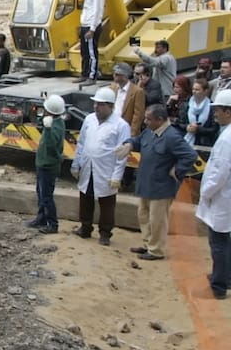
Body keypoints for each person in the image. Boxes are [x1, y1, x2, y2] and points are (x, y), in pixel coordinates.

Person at [116, 104, 197, 260]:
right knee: (144, 215)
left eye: (149, 119)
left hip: (162, 186)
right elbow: (139, 139)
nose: (146, 121)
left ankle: (156, 250)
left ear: (160, 120)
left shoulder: (172, 136)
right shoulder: (150, 132)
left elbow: (190, 155)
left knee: (157, 220)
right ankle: (148, 244)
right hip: (146, 183)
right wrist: (129, 144)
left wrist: (178, 169)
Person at [71, 87, 131, 246]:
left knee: (107, 203)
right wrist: (76, 164)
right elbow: (82, 143)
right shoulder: (89, 119)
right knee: (85, 198)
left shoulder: (121, 125)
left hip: (106, 171)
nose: (96, 107)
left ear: (110, 106)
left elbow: (122, 154)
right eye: (95, 104)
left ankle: (105, 233)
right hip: (88, 167)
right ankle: (85, 227)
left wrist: (117, 176)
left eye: (100, 104)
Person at [196, 89, 231, 299]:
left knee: (218, 242)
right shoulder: (226, 134)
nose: (215, 114)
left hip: (221, 196)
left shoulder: (227, 139)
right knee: (225, 240)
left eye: (218, 110)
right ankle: (226, 277)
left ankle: (219, 286)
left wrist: (206, 192)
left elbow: (220, 172)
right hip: (224, 196)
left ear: (228, 111)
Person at [25, 95, 66, 235]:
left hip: (48, 166)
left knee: (47, 196)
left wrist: (47, 129)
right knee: (41, 193)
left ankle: (53, 224)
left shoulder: (55, 127)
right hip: (43, 164)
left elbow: (51, 146)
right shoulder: (54, 122)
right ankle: (41, 218)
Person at [74, 0, 105, 85]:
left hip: (91, 26)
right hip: (85, 25)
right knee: (84, 51)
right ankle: (84, 73)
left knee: (92, 52)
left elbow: (97, 11)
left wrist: (92, 29)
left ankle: (92, 76)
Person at [110, 62, 146, 136]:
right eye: (114, 74)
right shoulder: (112, 88)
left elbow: (138, 115)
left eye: (117, 74)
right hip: (111, 128)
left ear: (125, 76)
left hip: (126, 130)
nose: (114, 76)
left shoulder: (137, 91)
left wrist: (131, 133)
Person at [182, 78, 217, 147]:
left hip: (204, 142)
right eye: (193, 89)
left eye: (197, 90)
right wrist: (187, 127)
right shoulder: (186, 104)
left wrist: (198, 129)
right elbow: (180, 122)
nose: (194, 91)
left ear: (205, 91)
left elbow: (214, 128)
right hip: (186, 140)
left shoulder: (212, 107)